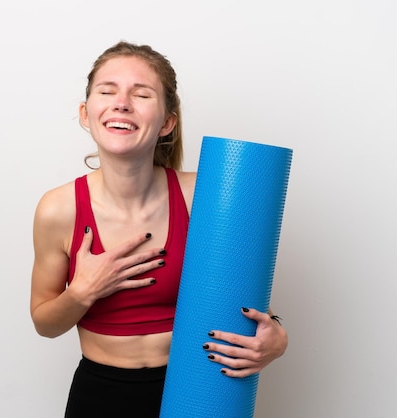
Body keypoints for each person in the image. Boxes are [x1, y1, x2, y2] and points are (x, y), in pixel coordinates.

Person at [30, 41, 288, 418]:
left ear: (167, 122)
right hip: (101, 397)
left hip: (200, 387)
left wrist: (275, 336)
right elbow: (45, 324)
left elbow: (242, 303)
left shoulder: (204, 195)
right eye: (107, 91)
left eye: (141, 93)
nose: (121, 103)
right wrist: (83, 291)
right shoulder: (58, 209)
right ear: (87, 114)